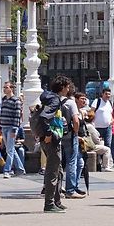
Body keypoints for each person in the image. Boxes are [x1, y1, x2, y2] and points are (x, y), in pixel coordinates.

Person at [37, 76, 71, 213]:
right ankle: (49, 204)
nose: (68, 89)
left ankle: (56, 201)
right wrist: (49, 134)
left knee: (59, 171)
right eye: (67, 87)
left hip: (50, 137)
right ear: (62, 87)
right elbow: (45, 117)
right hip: (52, 139)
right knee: (52, 171)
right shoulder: (55, 100)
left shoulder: (49, 97)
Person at [62, 87, 85, 199]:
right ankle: (70, 190)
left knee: (58, 163)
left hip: (57, 135)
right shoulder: (70, 103)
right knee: (72, 162)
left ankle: (56, 188)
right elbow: (76, 121)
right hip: (70, 135)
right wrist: (75, 133)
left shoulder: (56, 100)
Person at [0, 83, 24, 177]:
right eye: (4, 87)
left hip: (11, 127)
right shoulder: (4, 99)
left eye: (6, 87)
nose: (4, 89)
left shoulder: (16, 100)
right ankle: (20, 169)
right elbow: (1, 113)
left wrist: (14, 129)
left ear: (11, 89)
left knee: (9, 149)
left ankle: (7, 170)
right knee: (11, 149)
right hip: (4, 126)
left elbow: (17, 116)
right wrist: (0, 126)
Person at [93, 88, 114, 168]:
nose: (108, 96)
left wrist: (111, 120)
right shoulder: (97, 101)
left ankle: (106, 164)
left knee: (108, 145)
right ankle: (98, 163)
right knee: (98, 145)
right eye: (106, 94)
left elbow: (111, 114)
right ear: (102, 94)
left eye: (109, 94)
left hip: (107, 127)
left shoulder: (110, 103)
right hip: (97, 128)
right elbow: (91, 112)